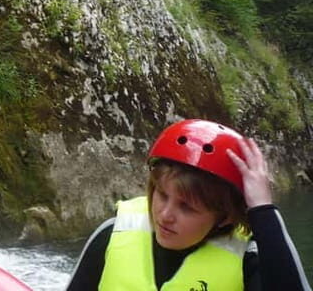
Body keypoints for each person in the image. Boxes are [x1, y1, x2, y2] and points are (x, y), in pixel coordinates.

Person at [65, 119, 310, 291]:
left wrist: (263, 211)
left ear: (224, 217)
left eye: (187, 208)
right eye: (161, 194)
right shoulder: (112, 233)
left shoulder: (248, 259)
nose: (165, 214)